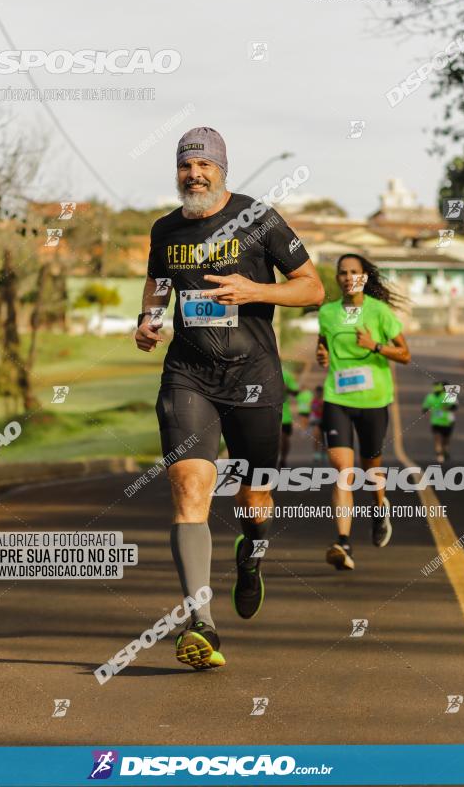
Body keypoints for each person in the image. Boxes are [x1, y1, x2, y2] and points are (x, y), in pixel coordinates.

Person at [135, 127, 324, 669]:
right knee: (191, 488)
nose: (194, 174)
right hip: (188, 375)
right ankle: (201, 622)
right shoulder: (165, 229)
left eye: (204, 166)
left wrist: (256, 290)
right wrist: (148, 321)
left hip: (255, 377)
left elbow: (313, 288)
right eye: (185, 166)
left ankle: (251, 556)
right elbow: (158, 284)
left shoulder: (258, 218)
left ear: (222, 169)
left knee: (253, 496)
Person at [316, 254, 410, 571]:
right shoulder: (327, 313)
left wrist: (375, 346)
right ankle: (343, 543)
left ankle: (379, 505)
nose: (347, 277)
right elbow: (324, 343)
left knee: (371, 469)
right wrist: (322, 353)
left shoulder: (379, 312)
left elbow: (406, 354)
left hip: (373, 400)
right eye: (342, 273)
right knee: (343, 471)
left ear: (364, 277)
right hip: (337, 399)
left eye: (354, 272)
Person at [422, 381, 458, 463]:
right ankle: (439, 454)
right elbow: (424, 408)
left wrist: (447, 407)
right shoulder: (430, 397)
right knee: (437, 437)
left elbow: (454, 406)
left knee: (446, 439)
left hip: (448, 421)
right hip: (436, 421)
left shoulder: (448, 395)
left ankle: (445, 449)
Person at [278, 366, 300, 469]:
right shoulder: (260, 372)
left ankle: (283, 458)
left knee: (284, 439)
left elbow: (296, 392)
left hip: (284, 415)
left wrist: (287, 389)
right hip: (265, 413)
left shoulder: (286, 374)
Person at [306, 384, 324, 462]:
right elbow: (312, 409)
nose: (319, 393)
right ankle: (316, 454)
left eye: (320, 392)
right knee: (316, 437)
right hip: (316, 420)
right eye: (317, 392)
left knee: (323, 438)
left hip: (324, 420)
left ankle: (323, 453)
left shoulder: (324, 400)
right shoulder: (314, 400)